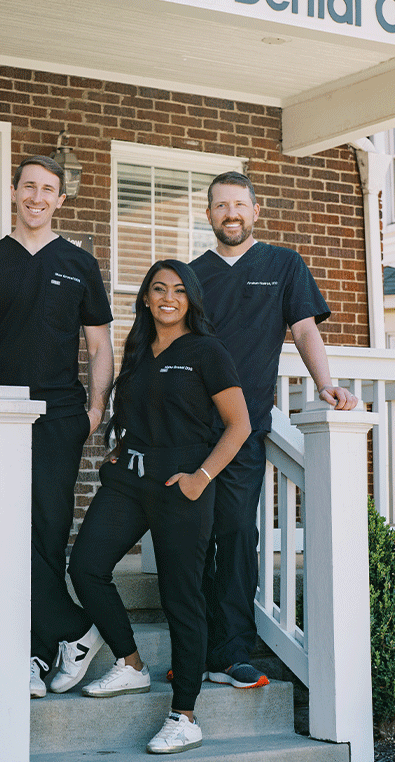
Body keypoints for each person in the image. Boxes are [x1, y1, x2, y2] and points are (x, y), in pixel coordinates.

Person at [0, 155, 114, 700]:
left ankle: (35, 655)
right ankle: (75, 631)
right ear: (13, 192)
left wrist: (95, 410)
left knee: (47, 530)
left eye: (49, 189)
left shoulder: (79, 264)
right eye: (29, 187)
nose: (38, 197)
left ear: (61, 200)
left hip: (61, 416)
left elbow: (101, 346)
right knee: (6, 530)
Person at [67, 260, 251, 755]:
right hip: (129, 480)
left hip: (182, 485)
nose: (168, 297)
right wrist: (118, 449)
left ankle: (184, 714)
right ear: (146, 298)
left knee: (181, 598)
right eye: (158, 289)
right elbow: (134, 411)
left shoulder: (207, 351)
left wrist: (201, 479)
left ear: (191, 299)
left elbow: (239, 425)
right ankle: (130, 663)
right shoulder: (139, 349)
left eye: (178, 290)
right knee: (86, 567)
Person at [188, 170, 358, 689]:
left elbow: (304, 328)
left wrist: (326, 384)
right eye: (221, 205)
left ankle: (233, 651)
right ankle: (193, 651)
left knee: (238, 534)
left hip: (243, 428)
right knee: (190, 541)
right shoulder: (192, 275)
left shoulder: (283, 264)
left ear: (255, 211)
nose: (230, 213)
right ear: (209, 213)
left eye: (239, 204)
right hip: (189, 428)